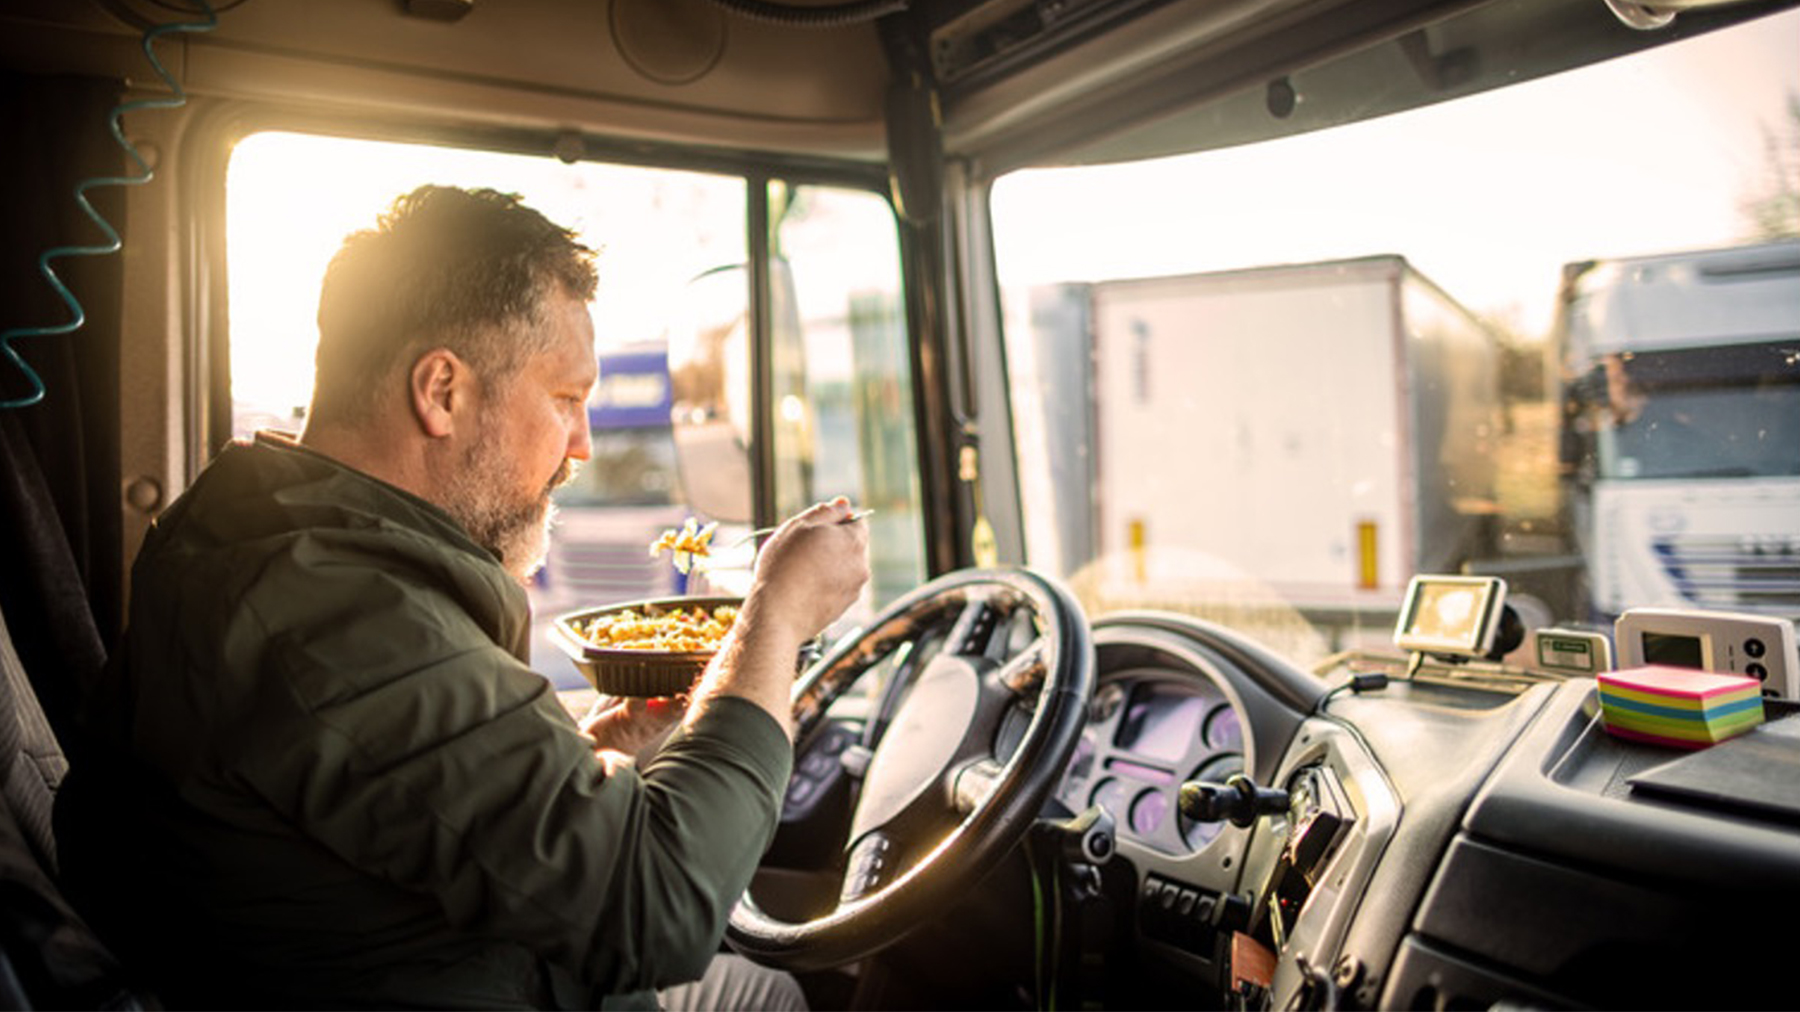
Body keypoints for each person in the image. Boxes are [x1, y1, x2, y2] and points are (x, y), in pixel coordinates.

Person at [54, 185, 870, 1009]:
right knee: (774, 995)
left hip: (484, 962)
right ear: (442, 391)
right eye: (566, 400)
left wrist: (578, 752)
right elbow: (656, 909)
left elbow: (380, 775)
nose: (581, 446)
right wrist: (776, 614)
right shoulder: (335, 610)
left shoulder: (288, 547)